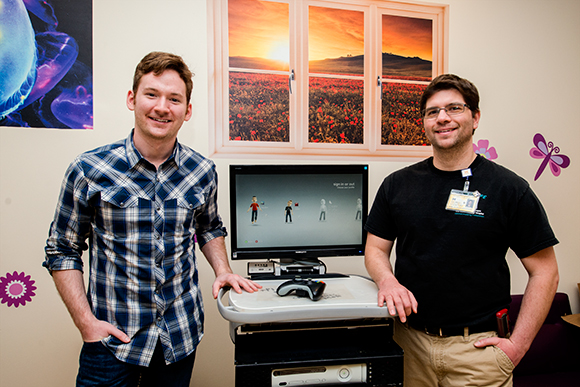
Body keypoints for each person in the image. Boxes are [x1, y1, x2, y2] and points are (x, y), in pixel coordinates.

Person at [43, 51, 261, 387]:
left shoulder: (203, 171)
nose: (162, 107)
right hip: (112, 342)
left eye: (174, 99)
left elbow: (209, 227)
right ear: (132, 99)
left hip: (179, 336)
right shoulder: (89, 169)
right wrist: (86, 323)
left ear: (187, 111)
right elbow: (62, 249)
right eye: (152, 94)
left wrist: (224, 271)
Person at [364, 74, 559, 386]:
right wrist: (387, 281)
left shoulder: (509, 189)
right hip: (409, 345)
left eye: (454, 108)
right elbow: (375, 249)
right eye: (433, 111)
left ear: (475, 117)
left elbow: (546, 271)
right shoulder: (397, 185)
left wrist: (517, 346)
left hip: (478, 352)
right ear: (424, 122)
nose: (442, 118)